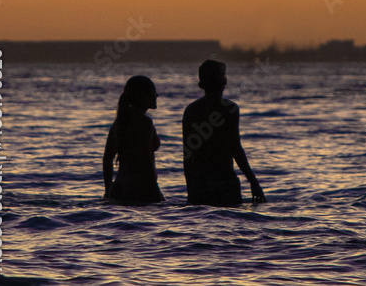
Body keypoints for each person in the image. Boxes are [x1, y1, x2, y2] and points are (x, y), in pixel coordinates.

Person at [182, 60, 266, 205]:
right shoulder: (230, 109)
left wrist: (190, 188)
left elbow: (188, 154)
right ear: (224, 82)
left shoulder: (191, 110)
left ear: (201, 85)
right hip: (225, 182)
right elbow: (236, 148)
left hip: (201, 183)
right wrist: (253, 182)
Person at [102, 75, 165, 204]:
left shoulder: (118, 123)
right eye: (153, 91)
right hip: (139, 188)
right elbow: (146, 161)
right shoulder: (145, 122)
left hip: (118, 188)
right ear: (143, 95)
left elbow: (107, 159)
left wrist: (108, 190)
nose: (156, 95)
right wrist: (155, 191)